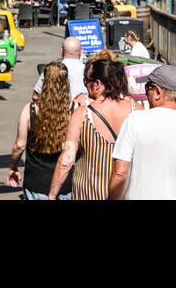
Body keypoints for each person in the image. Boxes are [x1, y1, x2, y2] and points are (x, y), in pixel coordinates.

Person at [108, 65, 176, 200]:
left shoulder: (135, 121)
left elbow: (120, 174)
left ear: (158, 92)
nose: (146, 93)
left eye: (148, 87)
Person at [48, 58, 135, 199]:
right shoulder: (136, 110)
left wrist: (52, 195)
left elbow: (67, 159)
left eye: (86, 81)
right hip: (125, 193)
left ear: (97, 84)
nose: (85, 86)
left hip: (88, 193)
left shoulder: (82, 114)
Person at [8, 62, 74, 200]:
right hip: (66, 185)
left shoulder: (30, 110)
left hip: (36, 184)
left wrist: (13, 167)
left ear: (43, 82)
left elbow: (19, 146)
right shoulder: (75, 111)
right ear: (67, 82)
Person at [33, 37, 87, 103]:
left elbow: (35, 96)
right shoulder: (88, 70)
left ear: (61, 50)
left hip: (56, 110)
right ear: (81, 52)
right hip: (81, 110)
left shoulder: (52, 69)